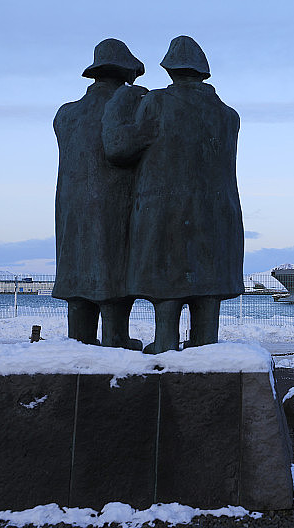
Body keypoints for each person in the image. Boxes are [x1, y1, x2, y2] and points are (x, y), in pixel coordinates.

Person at [103, 36, 243, 354]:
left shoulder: (155, 102)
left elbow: (120, 151)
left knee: (167, 285)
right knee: (208, 288)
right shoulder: (228, 116)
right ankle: (205, 345)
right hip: (218, 214)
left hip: (164, 210)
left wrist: (116, 109)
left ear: (170, 70)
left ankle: (165, 342)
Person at [53, 38, 145, 349]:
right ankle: (116, 336)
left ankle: (79, 339)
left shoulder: (65, 114)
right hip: (116, 202)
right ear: (126, 73)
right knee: (114, 268)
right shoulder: (132, 104)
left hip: (71, 209)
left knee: (77, 269)